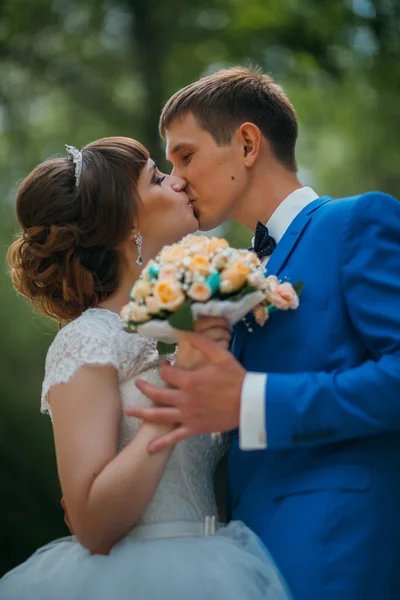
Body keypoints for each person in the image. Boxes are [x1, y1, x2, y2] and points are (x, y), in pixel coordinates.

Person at [125, 67, 400, 600]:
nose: (176, 178)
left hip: (339, 555)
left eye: (185, 156)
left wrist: (255, 400)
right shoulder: (228, 277)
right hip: (242, 563)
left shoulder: (356, 223)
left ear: (247, 144)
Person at [0, 136, 291, 600]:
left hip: (223, 565)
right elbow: (93, 526)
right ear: (126, 222)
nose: (179, 182)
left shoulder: (179, 329)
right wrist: (178, 392)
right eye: (157, 177)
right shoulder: (86, 340)